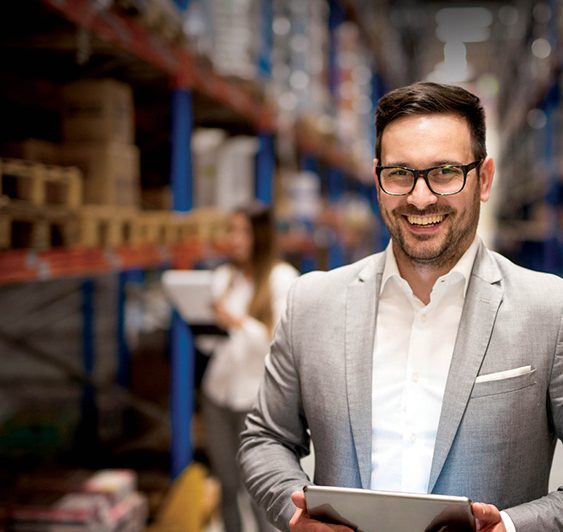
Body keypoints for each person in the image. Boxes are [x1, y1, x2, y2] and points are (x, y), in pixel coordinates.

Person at [238, 82, 563, 531]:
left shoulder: (549, 310)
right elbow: (265, 437)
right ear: (377, 179)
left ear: (484, 179)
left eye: (445, 172)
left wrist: (510, 527)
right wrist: (293, 512)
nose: (421, 197)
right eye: (400, 174)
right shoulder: (312, 303)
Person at [200, 202, 298, 532]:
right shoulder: (224, 278)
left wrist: (238, 322)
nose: (235, 239)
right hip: (218, 393)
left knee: (258, 490)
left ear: (261, 234)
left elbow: (281, 344)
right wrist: (204, 324)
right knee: (227, 483)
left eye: (243, 231)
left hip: (256, 400)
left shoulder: (281, 279)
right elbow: (209, 345)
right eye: (232, 230)